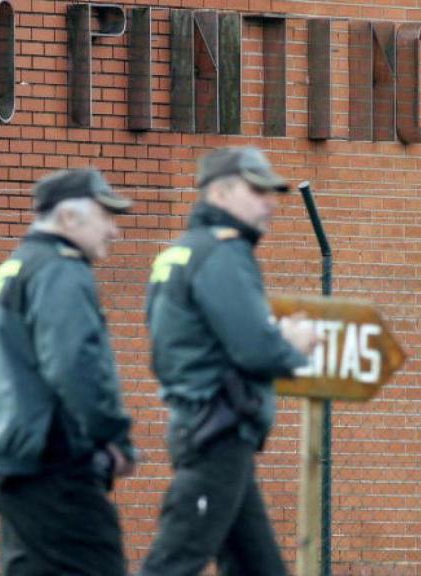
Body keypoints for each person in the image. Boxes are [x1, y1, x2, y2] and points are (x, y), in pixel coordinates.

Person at [138, 146, 320, 576]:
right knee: (174, 562)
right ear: (220, 193)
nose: (270, 202)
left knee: (258, 567)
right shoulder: (224, 254)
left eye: (272, 192)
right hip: (218, 430)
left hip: (202, 425)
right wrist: (292, 343)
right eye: (257, 191)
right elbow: (255, 347)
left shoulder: (179, 253)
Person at [0, 168, 137, 576]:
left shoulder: (16, 268)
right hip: (56, 465)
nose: (114, 232)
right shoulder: (61, 270)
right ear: (68, 218)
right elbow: (75, 362)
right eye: (106, 216)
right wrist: (111, 436)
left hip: (13, 464)